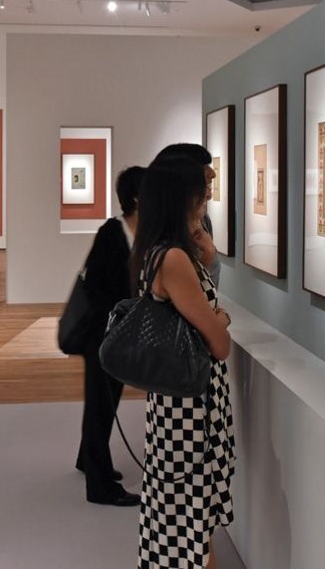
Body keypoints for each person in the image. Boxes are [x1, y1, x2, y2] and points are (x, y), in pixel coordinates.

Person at [131, 156, 234, 569]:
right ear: (183, 196)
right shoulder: (172, 258)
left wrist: (209, 263)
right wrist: (221, 321)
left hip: (187, 400)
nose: (208, 195)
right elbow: (219, 343)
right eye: (202, 188)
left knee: (189, 509)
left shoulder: (169, 252)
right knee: (186, 510)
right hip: (187, 407)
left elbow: (199, 318)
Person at [74, 166, 145, 507]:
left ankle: (87, 459)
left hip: (115, 332)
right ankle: (101, 487)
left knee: (105, 399)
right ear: (136, 197)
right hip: (102, 333)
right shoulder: (112, 232)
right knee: (102, 401)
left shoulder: (136, 233)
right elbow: (97, 285)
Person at [154, 143, 220, 287]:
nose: (208, 196)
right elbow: (183, 293)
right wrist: (208, 254)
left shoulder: (203, 221)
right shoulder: (166, 246)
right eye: (204, 186)